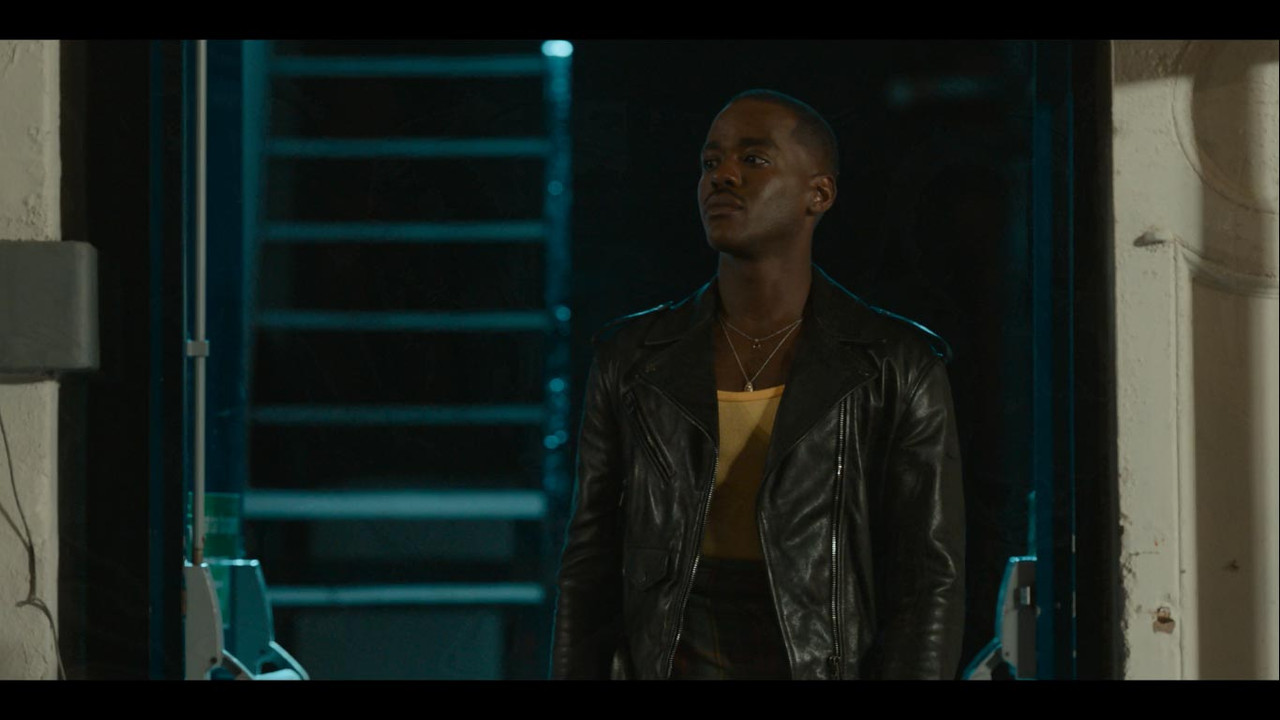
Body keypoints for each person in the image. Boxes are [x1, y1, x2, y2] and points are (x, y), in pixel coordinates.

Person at [550, 89, 965, 680]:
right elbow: (588, 564)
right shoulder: (632, 359)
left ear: (818, 194)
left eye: (753, 159)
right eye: (710, 162)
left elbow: (929, 579)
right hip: (674, 660)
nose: (722, 176)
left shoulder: (896, 364)